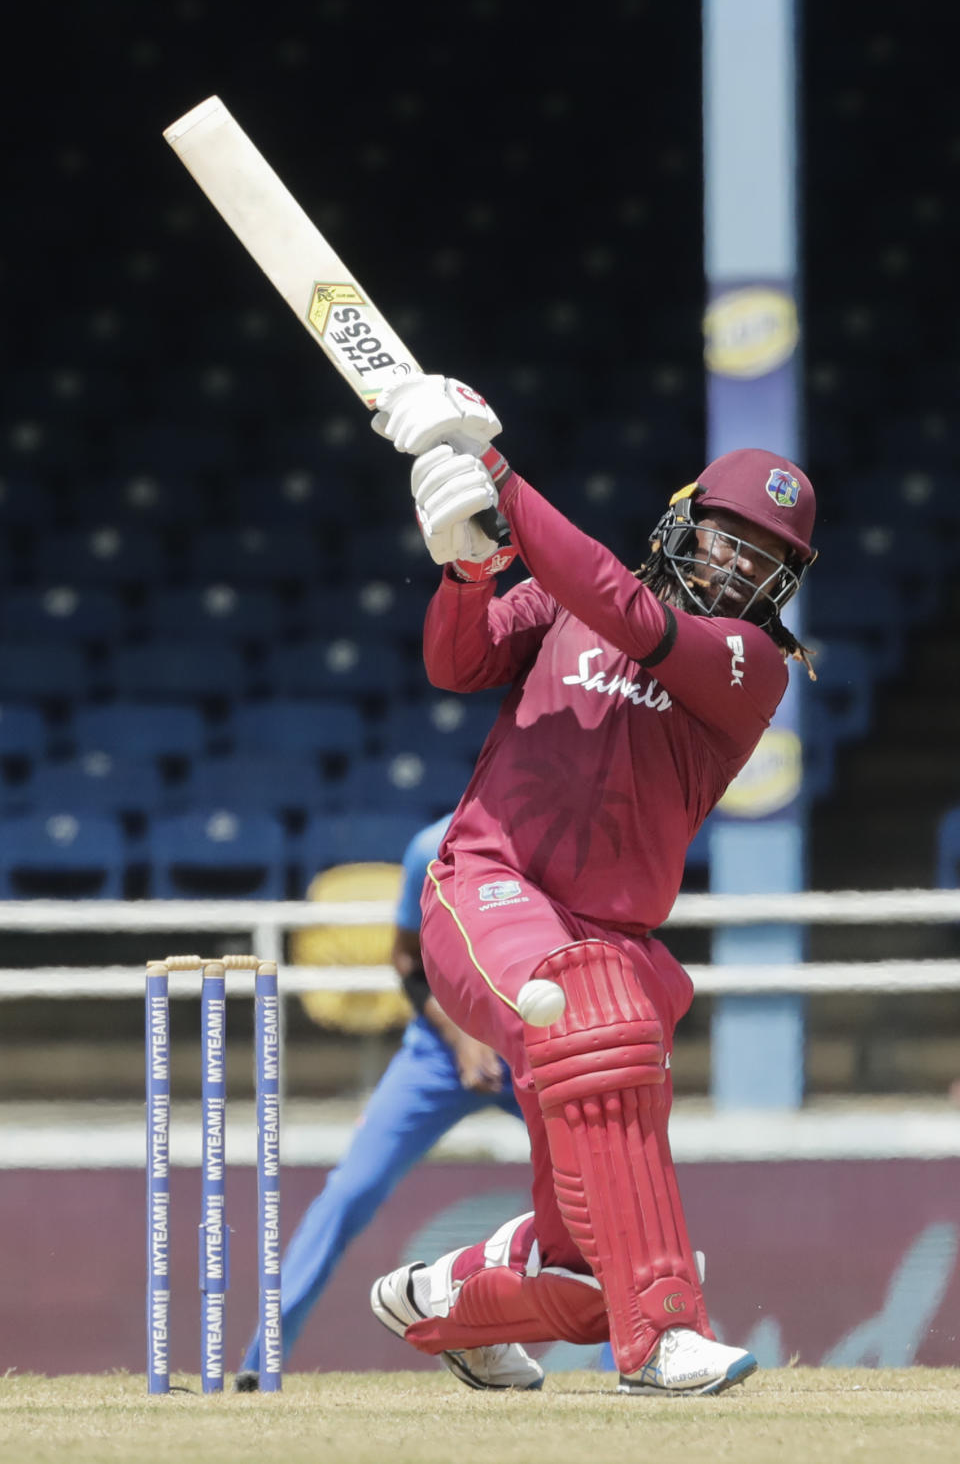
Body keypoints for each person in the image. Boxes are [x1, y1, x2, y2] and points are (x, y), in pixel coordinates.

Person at [367, 375, 817, 1397]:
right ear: (685, 522)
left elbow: (620, 606)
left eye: (769, 559)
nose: (742, 564)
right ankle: (662, 1335)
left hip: (607, 935)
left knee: (581, 1274)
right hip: (488, 887)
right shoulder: (567, 602)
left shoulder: (750, 664)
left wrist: (496, 476)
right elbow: (458, 660)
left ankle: (452, 1299)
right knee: (594, 1007)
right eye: (729, 536)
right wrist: (469, 568)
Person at [235, 812, 542, 1391]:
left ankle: (633, 1356)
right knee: (348, 1192)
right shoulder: (431, 845)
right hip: (437, 1051)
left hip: (531, 1043)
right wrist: (461, 1036)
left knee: (602, 1186)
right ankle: (260, 1362)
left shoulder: (554, 839)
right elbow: (407, 960)